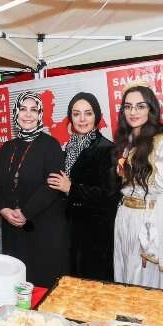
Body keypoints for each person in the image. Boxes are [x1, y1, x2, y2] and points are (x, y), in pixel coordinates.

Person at [112, 85, 163, 290]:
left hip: (147, 223)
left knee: (145, 283)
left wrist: (151, 242)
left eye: (140, 106)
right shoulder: (126, 141)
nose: (133, 112)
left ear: (151, 109)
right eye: (128, 106)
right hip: (125, 218)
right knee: (124, 277)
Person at [0, 92, 69, 288]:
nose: (28, 114)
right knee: (16, 284)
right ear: (15, 113)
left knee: (42, 286)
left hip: (43, 228)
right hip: (12, 228)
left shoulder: (50, 145)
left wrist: (25, 212)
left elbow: (52, 185)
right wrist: (3, 209)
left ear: (40, 114)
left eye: (33, 110)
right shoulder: (6, 148)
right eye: (23, 109)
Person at [47, 93, 119, 282]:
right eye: (76, 113)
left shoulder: (108, 149)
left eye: (88, 113)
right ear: (70, 117)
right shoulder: (67, 148)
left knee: (92, 288)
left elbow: (110, 196)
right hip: (69, 232)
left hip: (95, 236)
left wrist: (72, 188)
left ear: (97, 116)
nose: (82, 119)